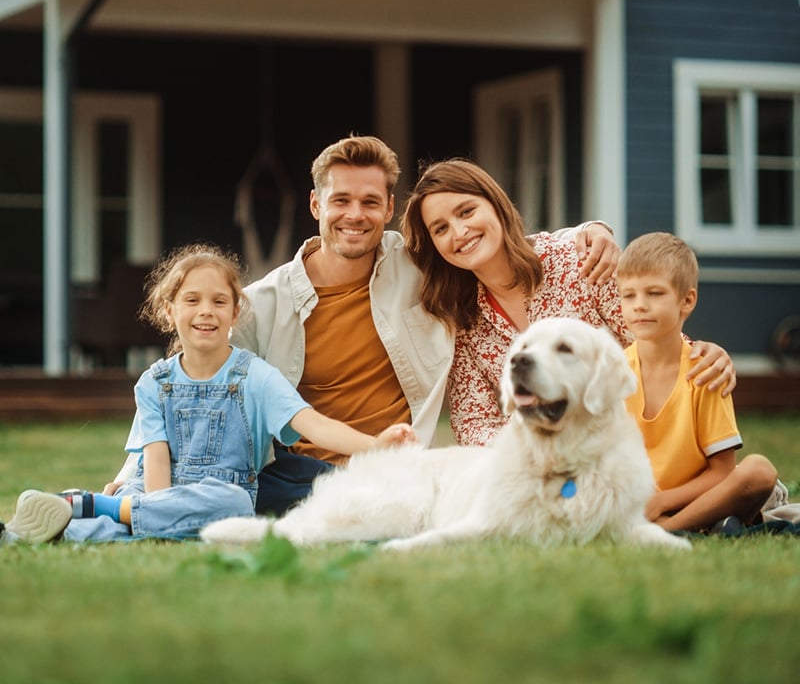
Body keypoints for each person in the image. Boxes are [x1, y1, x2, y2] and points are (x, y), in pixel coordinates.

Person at [107, 136, 623, 512]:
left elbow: (483, 239)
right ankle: (119, 503)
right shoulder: (261, 305)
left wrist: (585, 232)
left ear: (389, 209)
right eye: (341, 200)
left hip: (392, 466)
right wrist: (129, 470)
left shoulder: (421, 266)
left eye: (370, 202)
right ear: (316, 205)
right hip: (293, 472)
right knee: (230, 493)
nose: (355, 215)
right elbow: (184, 376)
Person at [0, 244, 414, 544]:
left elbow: (313, 424)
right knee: (168, 514)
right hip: (153, 492)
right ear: (169, 311)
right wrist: (160, 510)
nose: (206, 311)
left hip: (217, 494)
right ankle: (20, 532)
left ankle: (78, 508)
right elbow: (155, 459)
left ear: (236, 313)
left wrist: (373, 444)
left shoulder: (255, 376)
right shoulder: (154, 383)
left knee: (232, 503)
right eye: (192, 300)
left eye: (219, 302)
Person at [400, 158, 737, 446]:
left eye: (467, 211)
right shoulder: (459, 318)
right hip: (542, 462)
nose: (459, 232)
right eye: (440, 229)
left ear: (495, 205)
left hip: (635, 435)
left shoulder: (577, 262)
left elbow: (652, 342)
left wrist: (697, 354)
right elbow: (474, 423)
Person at [616, 232, 777, 533]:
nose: (639, 305)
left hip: (695, 498)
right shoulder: (614, 373)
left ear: (687, 300)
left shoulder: (706, 371)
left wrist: (662, 502)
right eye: (629, 295)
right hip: (633, 499)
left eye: (654, 293)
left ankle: (667, 529)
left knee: (758, 471)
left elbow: (723, 472)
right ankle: (705, 525)